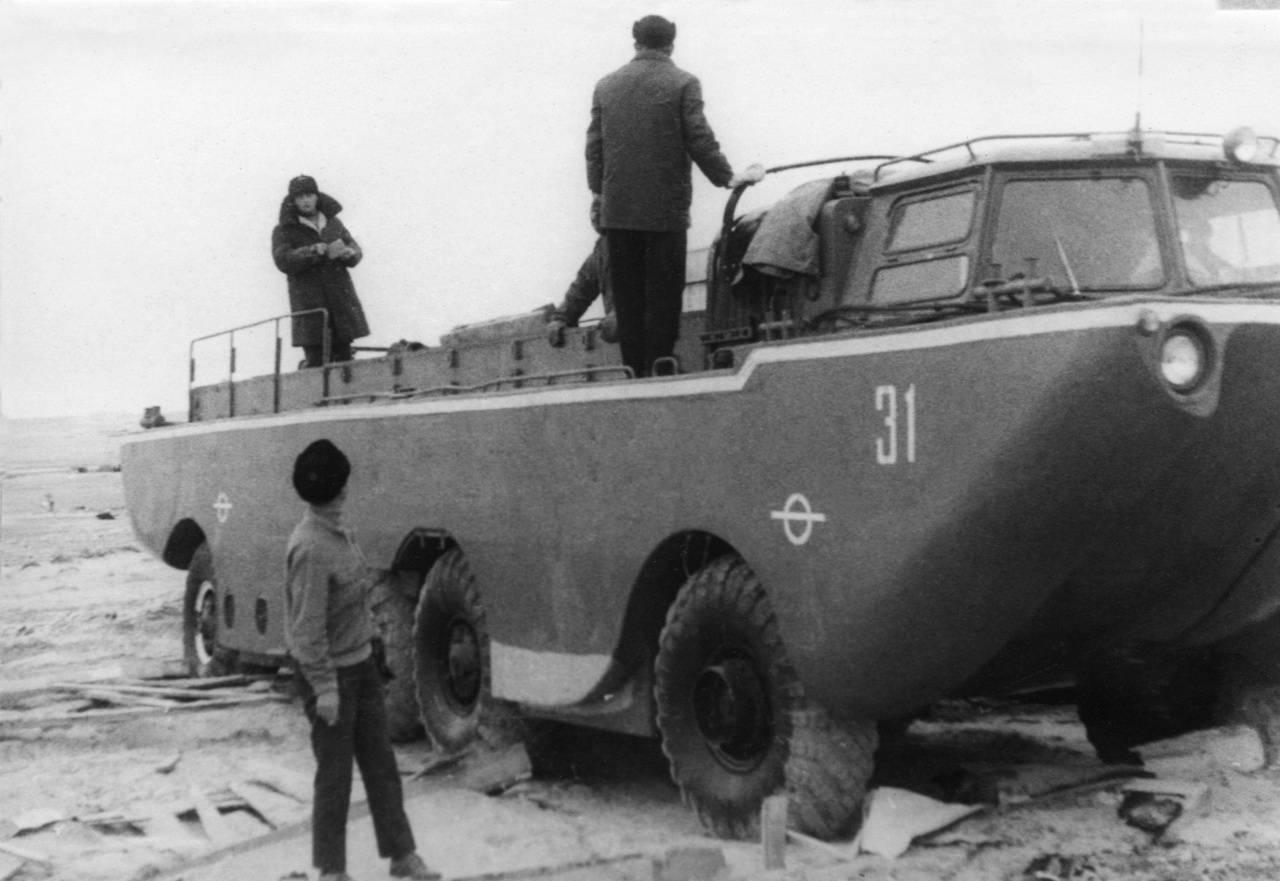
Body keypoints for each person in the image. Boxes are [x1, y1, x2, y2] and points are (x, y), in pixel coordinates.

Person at [285, 439, 440, 881]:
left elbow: (355, 602)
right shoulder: (311, 548)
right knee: (334, 777)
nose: (345, 493)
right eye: (341, 486)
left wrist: (373, 644)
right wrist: (325, 689)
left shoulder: (339, 536)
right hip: (329, 675)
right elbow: (306, 630)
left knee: (382, 766)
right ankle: (332, 871)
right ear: (337, 490)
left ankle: (402, 857)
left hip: (360, 666)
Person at [586, 14, 753, 377]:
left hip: (618, 213)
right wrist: (727, 177)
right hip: (665, 214)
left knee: (628, 300)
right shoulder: (684, 83)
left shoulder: (605, 86)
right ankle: (660, 370)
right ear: (671, 45)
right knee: (663, 297)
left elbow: (594, 149)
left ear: (635, 44)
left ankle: (634, 372)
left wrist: (600, 195)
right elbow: (699, 137)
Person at [272, 175, 370, 368]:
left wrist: (350, 253)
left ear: (317, 196)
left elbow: (354, 248)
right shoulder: (284, 230)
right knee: (316, 361)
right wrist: (311, 251)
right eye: (300, 197)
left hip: (340, 304)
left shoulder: (334, 223)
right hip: (311, 307)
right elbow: (282, 260)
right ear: (293, 201)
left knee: (345, 361)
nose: (306, 200)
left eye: (309, 195)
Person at [545, 235, 617, 347]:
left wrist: (625, 315)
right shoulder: (603, 249)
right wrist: (561, 318)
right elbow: (581, 289)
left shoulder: (642, 237)